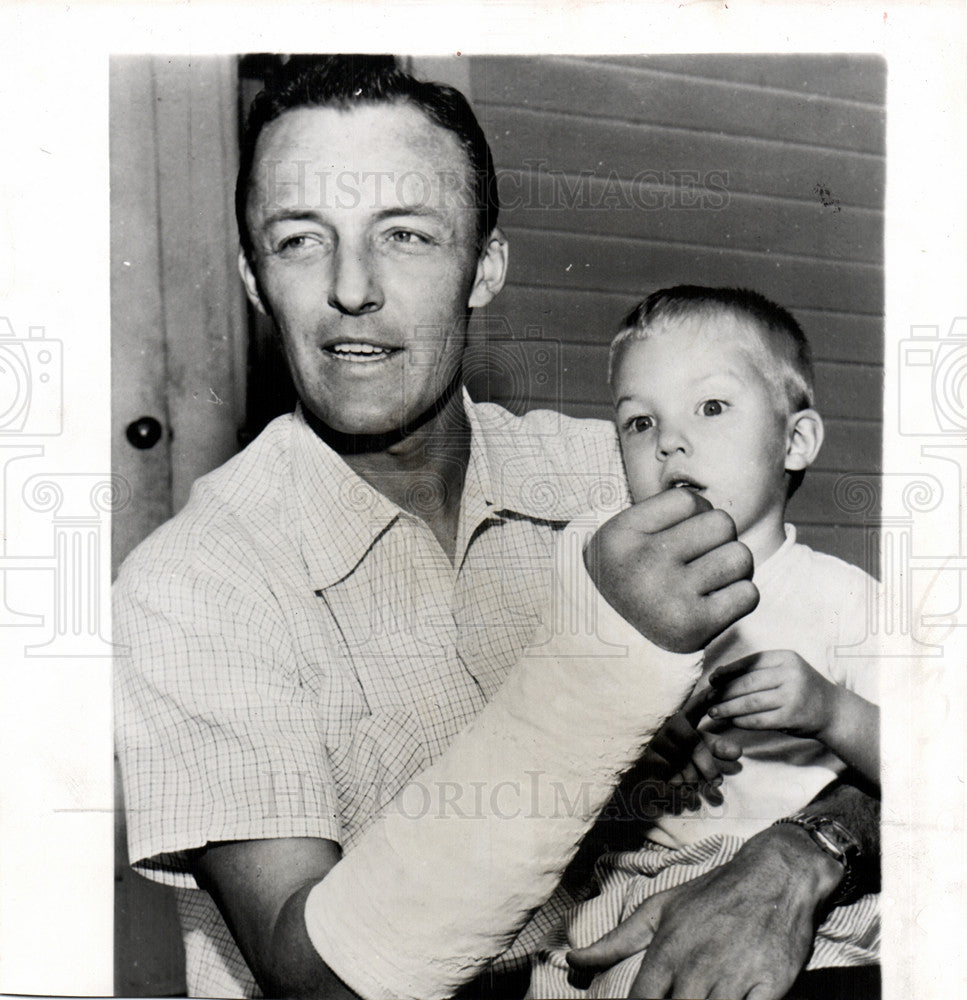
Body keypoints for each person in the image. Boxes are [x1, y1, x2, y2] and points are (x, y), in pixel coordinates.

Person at [114, 56, 880, 1000]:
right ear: (251, 276)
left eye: (406, 234)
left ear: (486, 266)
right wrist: (612, 654)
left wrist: (798, 856)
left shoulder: (621, 475)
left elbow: (901, 712)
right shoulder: (195, 580)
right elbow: (319, 978)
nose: (352, 287)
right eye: (300, 240)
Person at [528, 286, 880, 998]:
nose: (668, 439)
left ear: (795, 440)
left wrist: (830, 711)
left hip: (797, 903)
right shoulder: (604, 592)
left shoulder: (844, 599)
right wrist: (638, 750)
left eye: (711, 407)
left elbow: (938, 769)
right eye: (637, 422)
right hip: (625, 880)